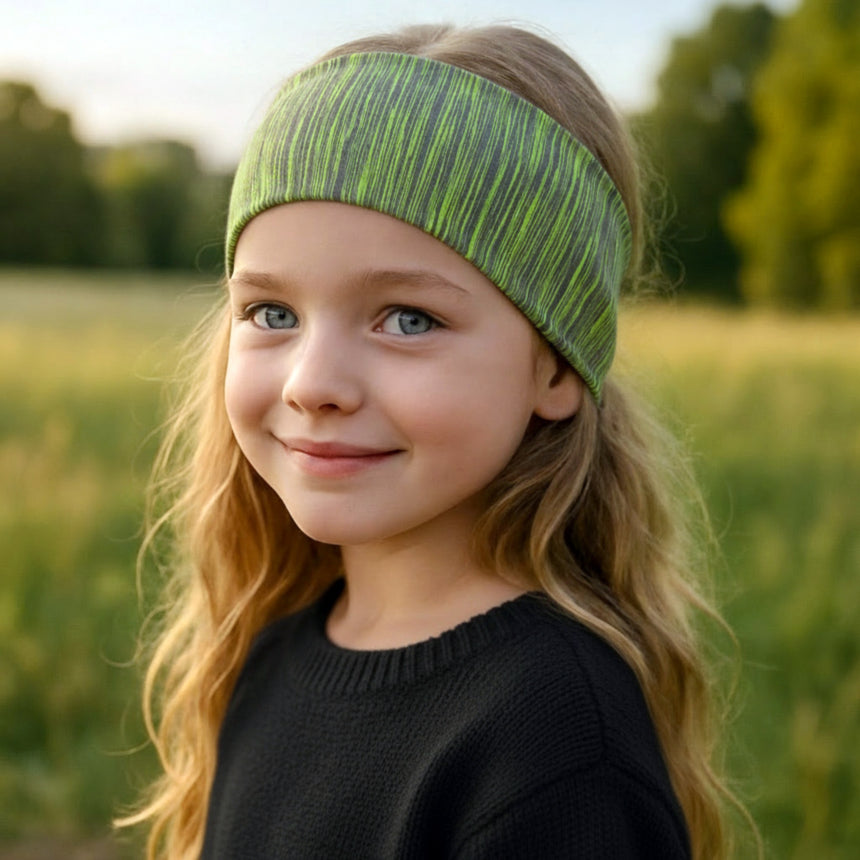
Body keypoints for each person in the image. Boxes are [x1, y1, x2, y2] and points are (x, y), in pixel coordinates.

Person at [120, 22, 754, 860]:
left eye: (408, 319)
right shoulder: (267, 657)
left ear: (557, 368)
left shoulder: (552, 746)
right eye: (272, 313)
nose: (313, 382)